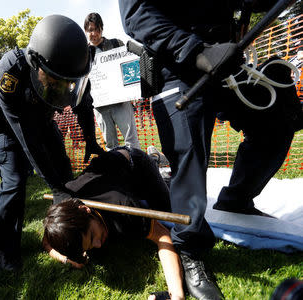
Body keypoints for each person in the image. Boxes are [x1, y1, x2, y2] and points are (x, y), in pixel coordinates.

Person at [119, 1, 301, 299]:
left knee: (279, 115)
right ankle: (189, 249)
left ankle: (237, 199)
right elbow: (136, 14)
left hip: (227, 57)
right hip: (176, 66)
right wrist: (197, 51)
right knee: (187, 155)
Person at [0, 14, 104, 272]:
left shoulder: (73, 65)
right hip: (11, 130)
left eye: (68, 82)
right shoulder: (10, 73)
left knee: (65, 173)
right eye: (55, 81)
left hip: (44, 122)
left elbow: (84, 104)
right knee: (14, 183)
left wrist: (90, 141)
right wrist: (54, 187)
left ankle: (68, 235)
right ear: (35, 64)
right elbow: (27, 138)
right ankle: (4, 251)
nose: (63, 87)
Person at [43, 147, 183, 300]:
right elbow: (47, 243)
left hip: (134, 163)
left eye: (92, 236)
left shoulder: (123, 208)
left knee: (167, 211)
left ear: (86, 210)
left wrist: (176, 295)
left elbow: (162, 235)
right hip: (109, 170)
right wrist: (67, 259)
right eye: (89, 246)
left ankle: (155, 161)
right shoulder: (63, 219)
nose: (97, 244)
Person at [84, 12, 140, 151]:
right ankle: (117, 171)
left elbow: (129, 67)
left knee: (131, 141)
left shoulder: (116, 44)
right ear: (86, 31)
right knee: (110, 145)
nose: (94, 33)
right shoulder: (83, 53)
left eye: (97, 29)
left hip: (121, 102)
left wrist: (132, 90)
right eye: (90, 30)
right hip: (100, 106)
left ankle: (138, 170)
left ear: (102, 29)